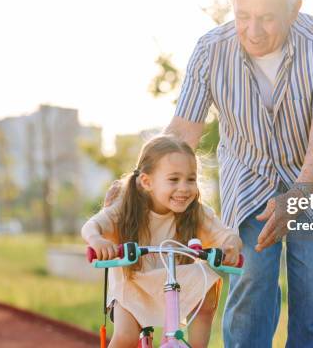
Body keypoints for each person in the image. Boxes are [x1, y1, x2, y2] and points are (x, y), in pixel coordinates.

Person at [165, 0, 313, 347]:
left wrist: (298, 196)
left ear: (294, 9)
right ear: (232, 5)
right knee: (250, 281)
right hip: (250, 175)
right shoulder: (209, 50)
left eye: (267, 19)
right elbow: (181, 132)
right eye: (243, 16)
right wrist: (136, 185)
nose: (253, 32)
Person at [81, 135, 243, 348]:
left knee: (206, 283)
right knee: (127, 338)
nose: (184, 188)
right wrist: (98, 241)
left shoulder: (195, 212)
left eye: (191, 179)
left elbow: (227, 235)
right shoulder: (127, 208)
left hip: (176, 281)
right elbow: (91, 227)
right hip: (133, 282)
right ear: (147, 182)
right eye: (174, 179)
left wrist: (230, 246)